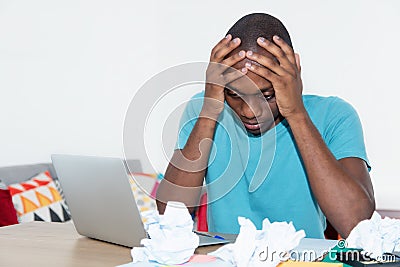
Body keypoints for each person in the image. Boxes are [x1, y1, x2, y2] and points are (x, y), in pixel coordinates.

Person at [156, 13, 375, 238]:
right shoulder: (205, 110)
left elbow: (356, 223)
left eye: (267, 96)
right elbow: (169, 215)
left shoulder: (334, 116)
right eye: (234, 94)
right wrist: (209, 111)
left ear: (293, 74)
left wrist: (296, 112)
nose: (249, 112)